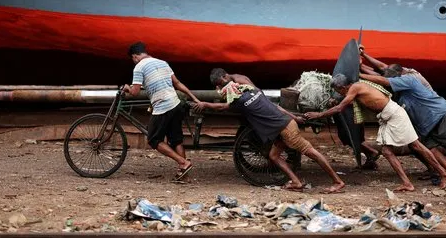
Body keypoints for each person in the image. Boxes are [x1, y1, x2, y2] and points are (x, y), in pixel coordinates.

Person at [194, 68, 345, 193]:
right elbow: (277, 107)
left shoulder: (238, 102)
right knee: (273, 155)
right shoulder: (254, 90)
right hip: (284, 126)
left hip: (286, 129)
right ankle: (296, 182)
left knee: (312, 153)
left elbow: (221, 107)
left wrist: (205, 104)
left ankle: (337, 182)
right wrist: (294, 116)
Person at [305, 74, 446, 192]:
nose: (340, 94)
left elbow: (340, 108)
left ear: (343, 87)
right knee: (388, 151)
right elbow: (362, 101)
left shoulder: (355, 88)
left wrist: (318, 115)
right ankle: (408, 183)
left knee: (416, 146)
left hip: (394, 115)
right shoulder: (358, 87)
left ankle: (443, 173)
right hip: (388, 116)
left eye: (339, 92)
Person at [122, 42, 201, 181]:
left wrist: (127, 87)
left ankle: (183, 162)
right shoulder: (162, 62)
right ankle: (184, 176)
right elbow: (177, 83)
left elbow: (134, 92)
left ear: (134, 56)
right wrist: (194, 98)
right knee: (176, 140)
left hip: (163, 106)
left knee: (153, 139)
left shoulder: (139, 67)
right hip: (176, 103)